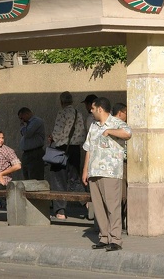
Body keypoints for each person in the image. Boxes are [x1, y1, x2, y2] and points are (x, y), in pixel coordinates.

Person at [82, 97, 131, 252]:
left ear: (100, 109)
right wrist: (85, 170)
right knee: (99, 207)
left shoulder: (116, 123)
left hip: (110, 172)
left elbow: (128, 133)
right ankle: (104, 238)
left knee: (112, 206)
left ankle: (115, 239)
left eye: (93, 108)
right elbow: (88, 148)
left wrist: (110, 131)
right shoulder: (94, 126)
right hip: (94, 171)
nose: (91, 110)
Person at [48, 91, 86, 220]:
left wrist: (52, 138)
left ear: (61, 101)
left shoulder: (62, 113)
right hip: (75, 149)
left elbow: (58, 133)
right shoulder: (78, 113)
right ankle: (87, 203)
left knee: (58, 179)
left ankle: (60, 211)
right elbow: (81, 133)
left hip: (61, 149)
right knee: (74, 178)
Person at [112, 103, 128, 234]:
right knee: (122, 195)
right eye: (126, 113)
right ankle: (120, 224)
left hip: (122, 163)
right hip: (119, 163)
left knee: (123, 195)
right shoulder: (116, 125)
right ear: (120, 113)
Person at [18, 107, 45, 180]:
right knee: (27, 175)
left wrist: (22, 126)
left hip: (35, 153)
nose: (22, 120)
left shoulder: (36, 121)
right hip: (27, 153)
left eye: (22, 118)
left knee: (35, 177)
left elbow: (27, 133)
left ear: (27, 113)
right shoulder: (27, 124)